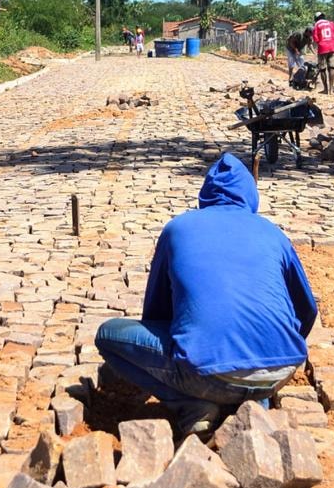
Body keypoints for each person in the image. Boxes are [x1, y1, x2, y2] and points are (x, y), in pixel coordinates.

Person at [95, 153, 317, 439]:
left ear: (205, 195)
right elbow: (307, 310)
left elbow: (158, 310)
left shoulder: (178, 228)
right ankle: (251, 402)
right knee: (241, 364)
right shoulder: (273, 233)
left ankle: (191, 403)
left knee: (107, 335)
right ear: (251, 196)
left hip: (205, 373)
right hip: (280, 371)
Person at [312, 12, 334, 95]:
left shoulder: (316, 25)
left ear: (316, 19)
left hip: (322, 48)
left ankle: (325, 89)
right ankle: (331, 90)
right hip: (332, 47)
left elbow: (315, 39)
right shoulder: (331, 23)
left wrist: (319, 44)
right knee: (331, 68)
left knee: (322, 69)